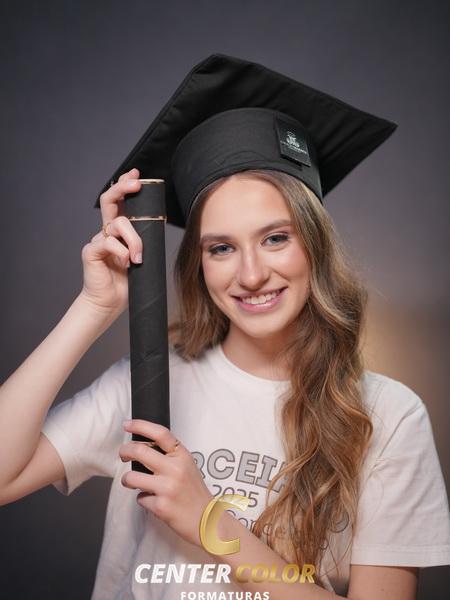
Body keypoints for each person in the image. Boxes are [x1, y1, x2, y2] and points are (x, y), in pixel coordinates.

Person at [1, 54, 450, 600]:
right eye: (221, 248)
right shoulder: (150, 383)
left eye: (276, 238)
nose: (252, 274)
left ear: (315, 244)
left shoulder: (388, 417)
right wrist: (94, 306)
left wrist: (209, 521)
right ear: (199, 263)